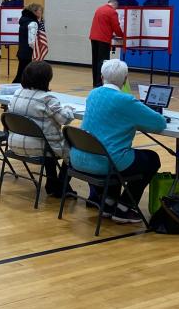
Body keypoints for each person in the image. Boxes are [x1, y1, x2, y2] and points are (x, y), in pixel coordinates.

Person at [69, 59, 166, 224]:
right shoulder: (126, 101)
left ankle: (109, 202)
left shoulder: (93, 94)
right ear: (126, 79)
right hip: (104, 163)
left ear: (101, 76)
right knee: (151, 159)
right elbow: (159, 123)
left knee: (115, 151)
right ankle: (124, 206)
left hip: (79, 158)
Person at [7, 61, 76, 198]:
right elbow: (65, 119)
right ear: (47, 79)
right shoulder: (47, 99)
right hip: (39, 147)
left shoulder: (17, 94)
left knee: (47, 139)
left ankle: (52, 183)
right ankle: (61, 187)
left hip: (14, 144)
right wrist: (68, 108)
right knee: (75, 151)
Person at [89, 0, 125, 87]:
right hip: (103, 39)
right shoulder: (112, 12)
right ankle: (100, 83)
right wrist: (123, 35)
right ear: (115, 5)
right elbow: (116, 27)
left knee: (95, 61)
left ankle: (95, 83)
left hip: (94, 38)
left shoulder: (99, 9)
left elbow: (103, 24)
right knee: (103, 62)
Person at [13, 3, 43, 84]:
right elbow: (31, 42)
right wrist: (37, 52)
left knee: (22, 74)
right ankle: (14, 90)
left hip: (22, 52)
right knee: (23, 76)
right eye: (40, 10)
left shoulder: (24, 20)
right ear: (35, 11)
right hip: (28, 54)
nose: (41, 12)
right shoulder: (33, 23)